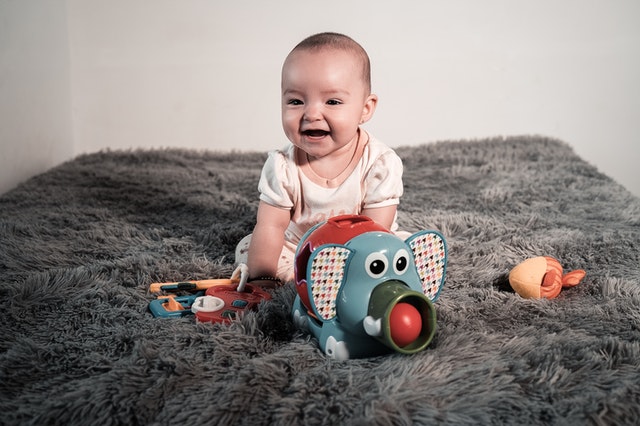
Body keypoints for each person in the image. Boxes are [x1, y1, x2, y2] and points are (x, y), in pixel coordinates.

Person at [235, 32, 405, 287]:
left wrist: (352, 264)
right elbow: (270, 226)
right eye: (296, 101)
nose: (312, 113)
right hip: (301, 247)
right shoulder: (283, 167)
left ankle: (342, 280)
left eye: (332, 101)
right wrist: (263, 279)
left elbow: (375, 231)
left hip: (364, 249)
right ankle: (307, 281)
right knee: (249, 249)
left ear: (365, 108)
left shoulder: (379, 163)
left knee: (400, 249)